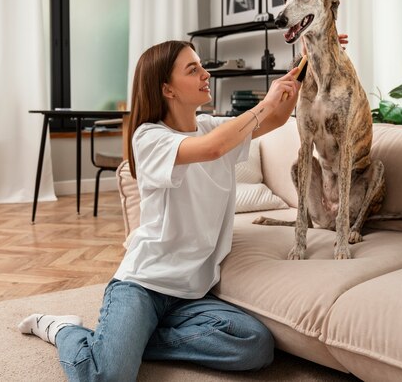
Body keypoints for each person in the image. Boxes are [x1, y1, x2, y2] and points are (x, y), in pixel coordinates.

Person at [18, 40, 302, 382]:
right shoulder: (149, 137)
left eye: (201, 66)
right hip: (143, 284)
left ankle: (130, 341)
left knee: (253, 345)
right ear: (166, 88)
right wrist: (264, 102)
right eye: (193, 69)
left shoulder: (213, 128)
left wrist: (303, 70)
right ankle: (63, 330)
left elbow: (278, 119)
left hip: (192, 293)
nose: (205, 74)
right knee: (107, 377)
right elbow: (211, 150)